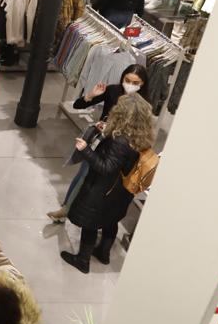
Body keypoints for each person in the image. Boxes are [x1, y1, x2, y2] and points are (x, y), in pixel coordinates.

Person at [60, 93, 157, 273]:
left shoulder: (120, 140)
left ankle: (82, 260)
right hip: (121, 192)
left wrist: (86, 150)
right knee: (110, 220)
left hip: (103, 190)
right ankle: (103, 253)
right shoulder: (141, 137)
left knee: (91, 224)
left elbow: (106, 167)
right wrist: (106, 131)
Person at [48, 65, 148, 223]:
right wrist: (91, 95)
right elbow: (78, 105)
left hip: (122, 150)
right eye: (127, 80)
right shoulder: (113, 90)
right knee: (83, 175)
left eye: (136, 82)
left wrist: (116, 130)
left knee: (109, 186)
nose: (130, 85)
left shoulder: (143, 102)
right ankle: (67, 208)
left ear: (143, 83)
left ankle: (97, 218)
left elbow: (142, 130)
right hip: (100, 143)